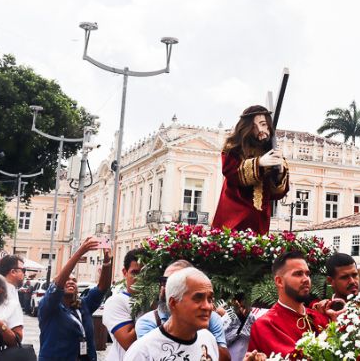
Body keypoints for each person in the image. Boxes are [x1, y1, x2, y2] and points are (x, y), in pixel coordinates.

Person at [212, 105, 290, 233]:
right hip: (234, 216)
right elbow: (230, 172)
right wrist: (259, 163)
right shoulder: (234, 148)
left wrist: (280, 171)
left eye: (263, 124)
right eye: (254, 126)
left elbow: (277, 193)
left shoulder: (273, 152)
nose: (260, 130)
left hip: (260, 219)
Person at [135, 260, 230, 360]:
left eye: (210, 299)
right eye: (164, 282)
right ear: (173, 303)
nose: (207, 307)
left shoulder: (208, 337)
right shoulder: (142, 350)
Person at [37, 236, 112, 361]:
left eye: (74, 280)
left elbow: (102, 287)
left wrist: (107, 262)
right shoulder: (49, 306)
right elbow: (57, 286)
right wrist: (80, 252)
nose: (71, 282)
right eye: (67, 279)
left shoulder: (84, 305)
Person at [246, 251, 331, 358]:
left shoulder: (319, 318)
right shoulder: (266, 324)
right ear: (279, 281)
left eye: (307, 274)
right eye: (298, 274)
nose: (306, 279)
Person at [102, 248, 144, 361]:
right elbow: (128, 343)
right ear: (125, 272)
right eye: (135, 273)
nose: (140, 278)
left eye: (145, 273)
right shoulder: (116, 302)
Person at [0, 255, 25, 320]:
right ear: (13, 272)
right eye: (23, 270)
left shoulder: (11, 289)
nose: (25, 274)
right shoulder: (1, 293)